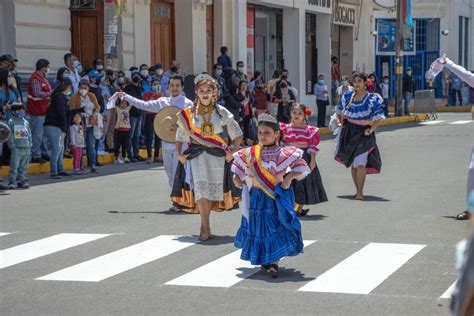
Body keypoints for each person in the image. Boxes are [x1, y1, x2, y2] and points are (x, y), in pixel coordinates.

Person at [231, 113, 311, 277]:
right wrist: (237, 180)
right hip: (257, 197)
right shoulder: (250, 153)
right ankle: (265, 260)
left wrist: (289, 177)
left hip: (276, 196)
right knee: (259, 228)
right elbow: (237, 171)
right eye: (260, 132)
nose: (262, 136)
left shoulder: (283, 153)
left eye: (267, 132)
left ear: (277, 134)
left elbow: (301, 167)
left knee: (275, 227)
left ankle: (274, 261)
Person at [171, 73, 243, 240]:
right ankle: (205, 227)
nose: (205, 93)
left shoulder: (221, 112)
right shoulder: (188, 113)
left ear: (214, 92)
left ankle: (206, 225)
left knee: (212, 191)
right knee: (201, 190)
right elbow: (180, 135)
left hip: (217, 156)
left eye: (208, 90)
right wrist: (179, 154)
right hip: (196, 156)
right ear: (196, 92)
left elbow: (237, 133)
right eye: (201, 90)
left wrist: (233, 151)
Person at [117, 75, 194, 210]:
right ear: (168, 87)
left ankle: (182, 200)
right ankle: (176, 199)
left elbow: (192, 124)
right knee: (169, 172)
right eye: (172, 85)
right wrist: (127, 97)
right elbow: (143, 104)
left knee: (180, 172)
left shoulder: (188, 104)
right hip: (166, 142)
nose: (174, 88)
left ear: (182, 87)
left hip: (182, 144)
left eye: (177, 85)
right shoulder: (162, 102)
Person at [335, 72, 385, 200]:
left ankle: (360, 192)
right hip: (349, 132)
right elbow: (338, 112)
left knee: (361, 163)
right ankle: (357, 189)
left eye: (359, 81)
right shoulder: (347, 97)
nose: (356, 84)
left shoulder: (371, 98)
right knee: (354, 164)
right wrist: (339, 122)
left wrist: (371, 130)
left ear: (364, 83)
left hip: (363, 133)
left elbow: (379, 118)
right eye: (355, 81)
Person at [280, 103, 328, 216]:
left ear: (305, 115)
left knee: (302, 183)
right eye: (294, 112)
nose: (296, 115)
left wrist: (312, 160)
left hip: (304, 159)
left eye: (300, 113)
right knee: (289, 182)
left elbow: (312, 147)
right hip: (288, 158)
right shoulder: (285, 128)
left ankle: (298, 208)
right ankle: (290, 207)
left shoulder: (310, 130)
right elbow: (280, 143)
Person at [43, 78, 73, 179]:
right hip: (53, 125)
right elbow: (61, 113)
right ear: (68, 87)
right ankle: (54, 171)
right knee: (56, 149)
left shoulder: (58, 96)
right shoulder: (60, 96)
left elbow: (65, 113)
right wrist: (64, 127)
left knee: (60, 149)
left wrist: (79, 110)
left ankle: (60, 169)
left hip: (55, 125)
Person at [69, 79, 101, 173]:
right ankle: (79, 165)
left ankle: (92, 164)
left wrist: (95, 113)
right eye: (81, 88)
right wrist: (80, 112)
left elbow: (97, 107)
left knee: (91, 144)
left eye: (85, 88)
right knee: (80, 146)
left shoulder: (91, 96)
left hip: (91, 123)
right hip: (80, 125)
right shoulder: (75, 97)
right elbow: (72, 110)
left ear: (88, 88)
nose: (83, 89)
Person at [26, 59, 52, 164]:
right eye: (47, 67)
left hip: (43, 109)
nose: (48, 69)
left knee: (43, 134)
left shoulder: (43, 78)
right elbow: (37, 93)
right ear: (43, 67)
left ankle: (43, 152)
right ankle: (35, 154)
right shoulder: (35, 78)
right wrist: (50, 93)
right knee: (37, 134)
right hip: (37, 110)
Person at [7, 104, 32, 189]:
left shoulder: (25, 122)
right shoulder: (11, 121)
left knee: (23, 166)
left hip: (26, 147)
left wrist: (30, 144)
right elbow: (9, 135)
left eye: (22, 110)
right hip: (16, 148)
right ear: (13, 112)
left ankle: (21, 181)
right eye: (19, 111)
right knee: (14, 166)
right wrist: (12, 146)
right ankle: (12, 181)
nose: (21, 112)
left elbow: (29, 134)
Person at [124, 72, 145, 162]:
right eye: (135, 76)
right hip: (131, 113)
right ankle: (130, 154)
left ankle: (136, 154)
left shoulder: (140, 87)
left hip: (139, 113)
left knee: (137, 135)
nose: (137, 78)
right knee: (130, 135)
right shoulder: (128, 88)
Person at [142, 79, 163, 163]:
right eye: (154, 84)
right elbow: (146, 104)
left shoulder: (161, 95)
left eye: (157, 85)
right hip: (149, 116)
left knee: (158, 137)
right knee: (149, 137)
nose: (156, 86)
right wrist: (153, 95)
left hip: (158, 116)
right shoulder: (147, 94)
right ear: (151, 86)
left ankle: (157, 156)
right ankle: (149, 156)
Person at [113, 98, 131, 164]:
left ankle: (124, 157)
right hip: (120, 129)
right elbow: (115, 105)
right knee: (118, 144)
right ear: (120, 104)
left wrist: (125, 97)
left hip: (127, 129)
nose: (123, 105)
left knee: (125, 144)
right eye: (122, 103)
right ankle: (116, 158)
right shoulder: (118, 110)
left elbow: (131, 104)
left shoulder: (127, 109)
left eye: (125, 104)